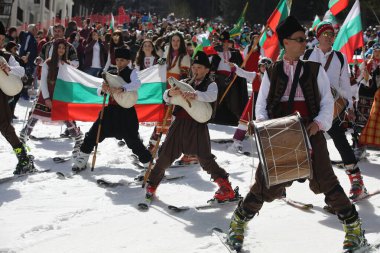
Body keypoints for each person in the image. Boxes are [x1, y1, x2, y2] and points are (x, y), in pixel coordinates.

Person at [227, 16, 367, 253]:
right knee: (266, 183)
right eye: (300, 40)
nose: (305, 44)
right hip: (280, 135)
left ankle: (354, 229)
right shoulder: (272, 71)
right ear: (286, 43)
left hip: (310, 133)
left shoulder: (314, 70)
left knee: (327, 182)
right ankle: (238, 223)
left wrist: (318, 125)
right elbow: (260, 105)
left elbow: (326, 102)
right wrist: (263, 125)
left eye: (305, 40)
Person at [145, 51, 238, 203]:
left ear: (207, 70)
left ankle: (226, 188)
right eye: (194, 67)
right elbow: (166, 99)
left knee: (205, 159)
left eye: (200, 67)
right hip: (179, 124)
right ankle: (152, 184)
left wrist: (195, 95)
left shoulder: (211, 84)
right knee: (165, 156)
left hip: (197, 125)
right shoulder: (185, 81)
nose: (196, 70)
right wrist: (170, 93)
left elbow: (212, 96)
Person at [302, 21, 367, 200]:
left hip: (332, 107)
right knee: (306, 144)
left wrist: (349, 105)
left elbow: (345, 83)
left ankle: (356, 180)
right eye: (326, 34)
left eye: (332, 34)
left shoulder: (340, 57)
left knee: (340, 142)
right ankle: (285, 183)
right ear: (318, 36)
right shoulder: (307, 54)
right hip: (311, 107)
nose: (330, 37)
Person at [73, 47, 152, 172]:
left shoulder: (132, 73)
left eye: (122, 60)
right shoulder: (110, 73)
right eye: (118, 60)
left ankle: (148, 164)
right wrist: (103, 89)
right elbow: (99, 91)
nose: (119, 63)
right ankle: (82, 159)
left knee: (133, 140)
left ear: (128, 61)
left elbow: (137, 84)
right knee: (94, 134)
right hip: (110, 111)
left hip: (126, 112)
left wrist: (123, 88)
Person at [19, 39, 83, 157]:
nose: (61, 50)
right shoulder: (47, 63)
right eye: (59, 48)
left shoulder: (66, 64)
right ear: (55, 49)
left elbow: (70, 79)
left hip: (60, 95)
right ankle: (22, 139)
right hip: (47, 93)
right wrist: (47, 98)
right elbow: (43, 81)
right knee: (35, 115)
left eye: (63, 48)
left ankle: (78, 141)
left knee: (65, 117)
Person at [147, 31, 195, 165]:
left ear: (181, 42)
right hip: (165, 91)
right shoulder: (167, 53)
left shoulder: (184, 56)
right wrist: (160, 63)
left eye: (178, 41)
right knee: (162, 119)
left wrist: (177, 91)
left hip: (176, 91)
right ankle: (152, 147)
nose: (175, 43)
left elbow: (185, 78)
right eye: (173, 40)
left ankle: (189, 153)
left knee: (177, 122)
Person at [0, 21, 34, 174]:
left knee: (6, 129)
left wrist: (8, 67)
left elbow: (21, 70)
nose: (0, 42)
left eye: (2, 39)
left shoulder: (6, 56)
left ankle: (24, 158)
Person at [228, 57, 273, 153]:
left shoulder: (273, 78)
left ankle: (267, 144)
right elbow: (243, 73)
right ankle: (237, 142)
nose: (264, 68)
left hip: (267, 102)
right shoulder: (254, 76)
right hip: (254, 101)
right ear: (259, 67)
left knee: (267, 122)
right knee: (244, 122)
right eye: (262, 66)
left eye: (267, 66)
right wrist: (235, 67)